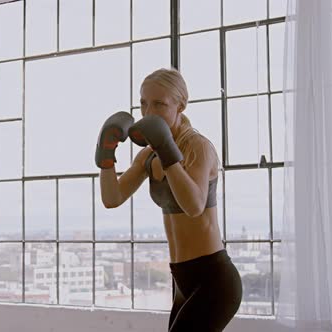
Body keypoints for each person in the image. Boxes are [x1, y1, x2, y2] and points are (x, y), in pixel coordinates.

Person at [95, 68, 242, 331]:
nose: (149, 112)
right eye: (143, 103)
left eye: (159, 104)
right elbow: (112, 198)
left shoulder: (198, 147)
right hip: (182, 279)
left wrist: (166, 149)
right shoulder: (147, 156)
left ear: (180, 105)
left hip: (214, 278)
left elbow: (194, 206)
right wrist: (106, 157)